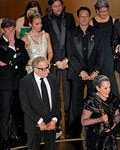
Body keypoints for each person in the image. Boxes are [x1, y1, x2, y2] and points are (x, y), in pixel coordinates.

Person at [0, 18, 29, 149]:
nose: (11, 31)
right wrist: (12, 49)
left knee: (17, 111)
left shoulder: (20, 42)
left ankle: (15, 136)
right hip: (4, 84)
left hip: (18, 82)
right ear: (3, 30)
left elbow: (25, 59)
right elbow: (1, 59)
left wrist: (11, 62)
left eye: (13, 29)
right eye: (8, 29)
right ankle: (5, 138)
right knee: (5, 112)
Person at [67, 6, 103, 137]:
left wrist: (96, 71)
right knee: (76, 101)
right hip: (77, 73)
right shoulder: (71, 32)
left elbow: (100, 52)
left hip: (93, 74)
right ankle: (74, 129)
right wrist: (80, 71)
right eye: (81, 16)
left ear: (90, 17)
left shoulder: (96, 32)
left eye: (86, 16)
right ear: (78, 17)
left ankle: (94, 127)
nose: (84, 18)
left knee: (94, 100)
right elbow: (70, 54)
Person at [42, 0, 76, 130]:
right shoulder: (45, 20)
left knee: (68, 94)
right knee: (54, 94)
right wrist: (55, 60)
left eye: (60, 5)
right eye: (55, 6)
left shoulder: (69, 17)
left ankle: (69, 121)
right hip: (53, 62)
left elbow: (73, 39)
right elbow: (46, 43)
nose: (58, 8)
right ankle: (56, 121)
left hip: (67, 62)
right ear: (50, 7)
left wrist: (66, 59)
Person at [19, 56, 61, 150]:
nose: (48, 71)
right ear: (35, 69)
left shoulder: (53, 79)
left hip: (51, 123)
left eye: (48, 67)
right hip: (34, 123)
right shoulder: (25, 82)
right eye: (44, 69)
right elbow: (25, 106)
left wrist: (54, 119)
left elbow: (57, 101)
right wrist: (39, 121)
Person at [81, 75, 120, 150]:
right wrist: (100, 119)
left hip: (110, 138)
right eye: (105, 88)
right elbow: (84, 122)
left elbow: (117, 115)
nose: (109, 90)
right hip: (95, 138)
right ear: (98, 88)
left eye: (109, 87)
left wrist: (114, 123)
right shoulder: (91, 101)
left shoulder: (114, 99)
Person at [90, 0, 119, 97]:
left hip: (108, 55)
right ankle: (97, 110)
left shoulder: (112, 20)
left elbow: (116, 38)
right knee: (97, 82)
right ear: (97, 11)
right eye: (102, 11)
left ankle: (115, 110)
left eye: (106, 11)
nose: (104, 13)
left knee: (110, 81)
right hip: (96, 55)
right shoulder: (92, 22)